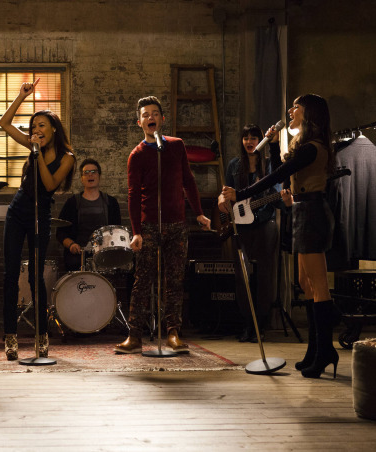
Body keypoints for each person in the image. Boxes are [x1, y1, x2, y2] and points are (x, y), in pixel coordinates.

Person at [222, 94, 337, 379]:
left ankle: (325, 351)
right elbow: (283, 176)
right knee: (305, 283)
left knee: (318, 285)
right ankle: (314, 350)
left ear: (309, 113)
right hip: (302, 211)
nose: (290, 110)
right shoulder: (303, 146)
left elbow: (275, 177)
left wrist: (241, 193)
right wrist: (274, 145)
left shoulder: (312, 147)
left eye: (296, 106)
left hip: (313, 213)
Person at [115, 96, 211, 355]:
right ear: (139, 122)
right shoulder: (136, 155)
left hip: (176, 224)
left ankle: (173, 333)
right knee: (142, 281)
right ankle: (134, 335)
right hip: (149, 226)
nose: (151, 117)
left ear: (162, 119)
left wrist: (199, 213)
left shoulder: (176, 146)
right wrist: (136, 231)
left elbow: (188, 181)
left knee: (175, 280)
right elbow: (133, 195)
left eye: (155, 113)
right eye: (145, 114)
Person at [0, 78, 75, 360]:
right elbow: (4, 124)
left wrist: (38, 153)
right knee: (10, 275)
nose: (36, 130)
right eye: (33, 127)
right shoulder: (32, 145)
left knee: (35, 277)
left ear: (53, 128)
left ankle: (42, 335)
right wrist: (21, 96)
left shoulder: (67, 156)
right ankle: (10, 337)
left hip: (40, 215)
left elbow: (50, 183)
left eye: (41, 125)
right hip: (17, 211)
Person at [218, 124, 282, 342]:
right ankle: (247, 323)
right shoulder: (234, 165)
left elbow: (276, 196)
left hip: (265, 223)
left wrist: (275, 203)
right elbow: (226, 192)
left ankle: (260, 325)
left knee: (265, 274)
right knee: (242, 276)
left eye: (254, 138)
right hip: (240, 225)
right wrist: (222, 201)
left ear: (260, 141)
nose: (249, 142)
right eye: (246, 138)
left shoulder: (270, 165)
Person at [56, 158, 122, 272]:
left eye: (93, 172)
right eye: (86, 172)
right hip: (78, 256)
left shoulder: (111, 203)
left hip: (104, 255)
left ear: (99, 176)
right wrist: (71, 245)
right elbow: (60, 233)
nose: (90, 175)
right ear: (81, 178)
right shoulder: (72, 203)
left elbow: (117, 231)